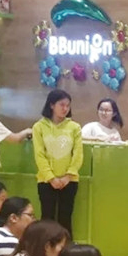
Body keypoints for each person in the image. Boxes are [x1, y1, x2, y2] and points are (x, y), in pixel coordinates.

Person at [33, 89, 83, 237]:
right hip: (46, 181)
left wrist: (68, 176)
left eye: (68, 105)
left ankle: (66, 247)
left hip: (70, 181)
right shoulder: (39, 127)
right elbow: (39, 155)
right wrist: (51, 178)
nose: (65, 108)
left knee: (65, 218)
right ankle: (44, 247)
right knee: (47, 218)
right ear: (51, 105)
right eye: (61, 104)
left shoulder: (74, 127)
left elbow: (78, 154)